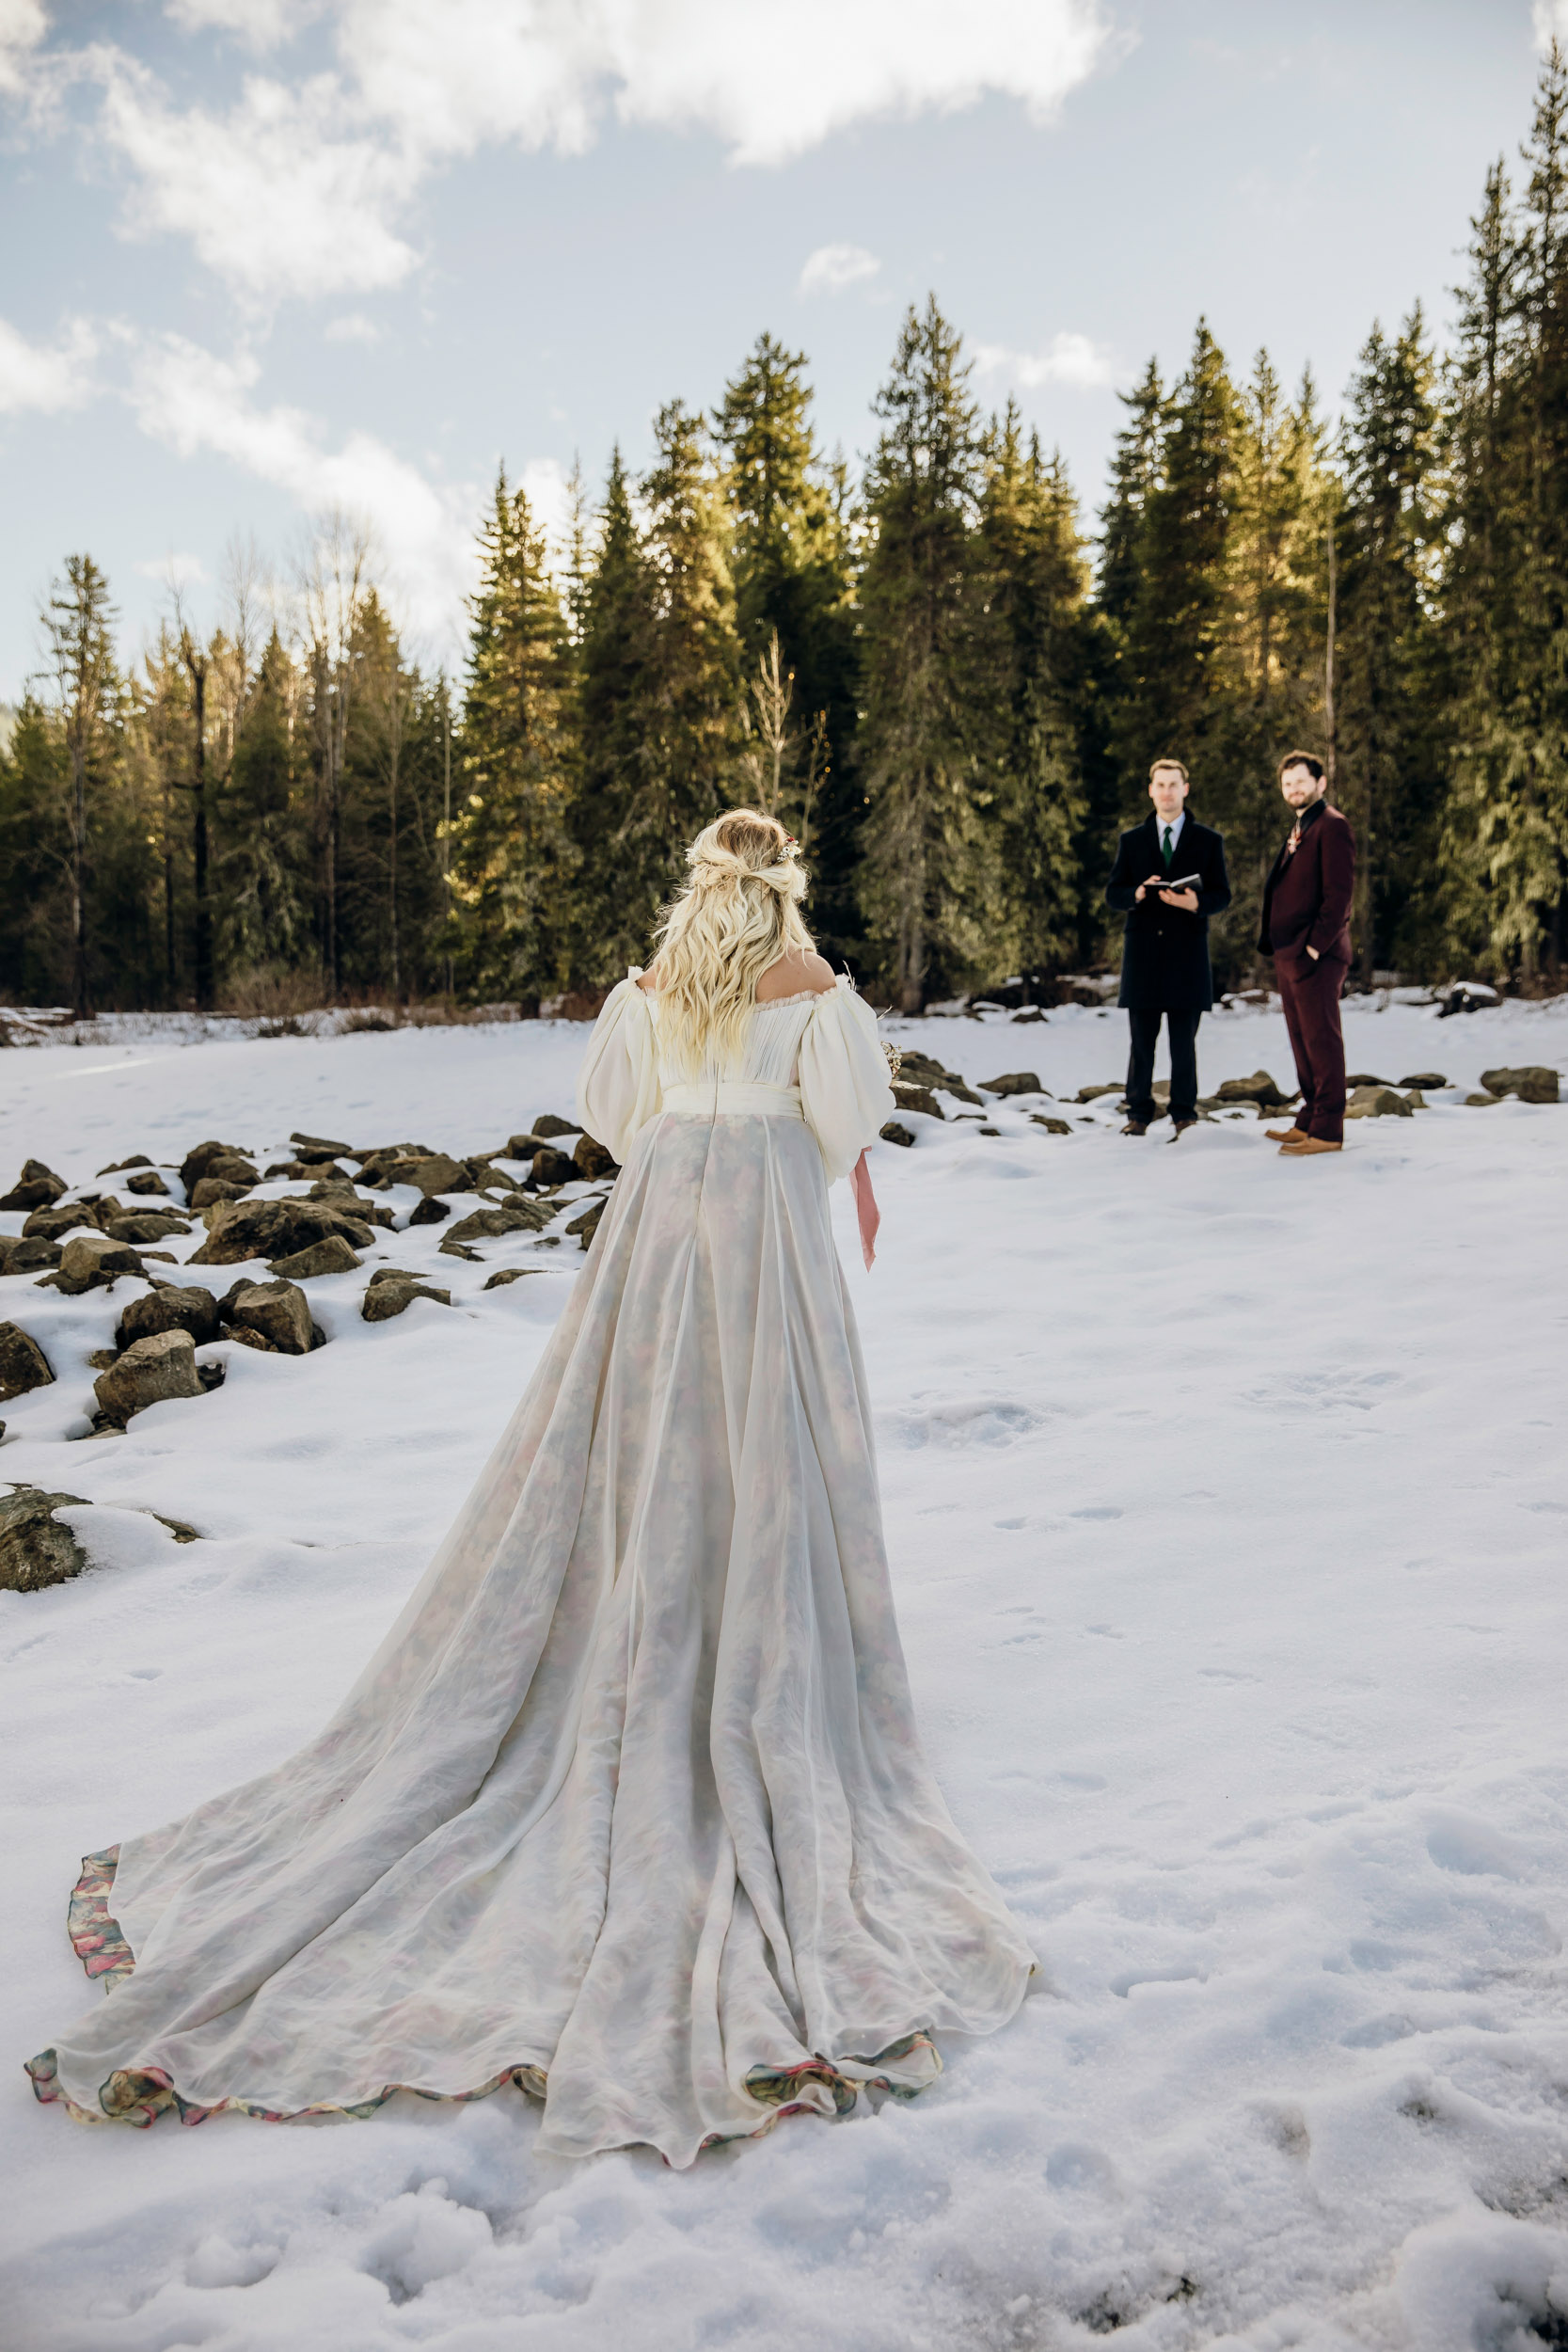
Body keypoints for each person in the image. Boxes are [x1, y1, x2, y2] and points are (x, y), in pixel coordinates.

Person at [27, 809, 1034, 2169]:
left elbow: (612, 1118)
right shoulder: (814, 991)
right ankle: (746, 1641)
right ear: (782, 887)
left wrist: (691, 1106)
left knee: (629, 1433)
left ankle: (644, 1609)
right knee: (761, 1430)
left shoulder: (652, 985)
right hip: (762, 1228)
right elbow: (848, 1120)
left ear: (698, 884)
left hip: (664, 1216)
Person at [1105, 757, 1232, 1136]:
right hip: (1143, 956)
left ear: (1185, 789)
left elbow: (1222, 894)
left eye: (1173, 785)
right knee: (1141, 1043)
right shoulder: (1131, 840)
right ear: (1150, 790)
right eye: (1160, 785)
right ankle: (1138, 1113)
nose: (1167, 792)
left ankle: (1183, 1114)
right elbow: (1113, 893)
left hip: (1187, 957)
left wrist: (1196, 903)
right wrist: (1138, 893)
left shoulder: (1209, 840)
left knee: (1183, 1044)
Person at [1258, 752, 1355, 1157]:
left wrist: (1314, 947)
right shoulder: (1303, 824)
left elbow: (1339, 895)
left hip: (1316, 954)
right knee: (1301, 1040)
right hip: (1291, 953)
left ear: (1321, 782)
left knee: (1321, 1040)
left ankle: (1329, 1130)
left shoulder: (1332, 825)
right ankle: (1310, 1117)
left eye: (1301, 780)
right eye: (1287, 783)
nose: (1293, 788)